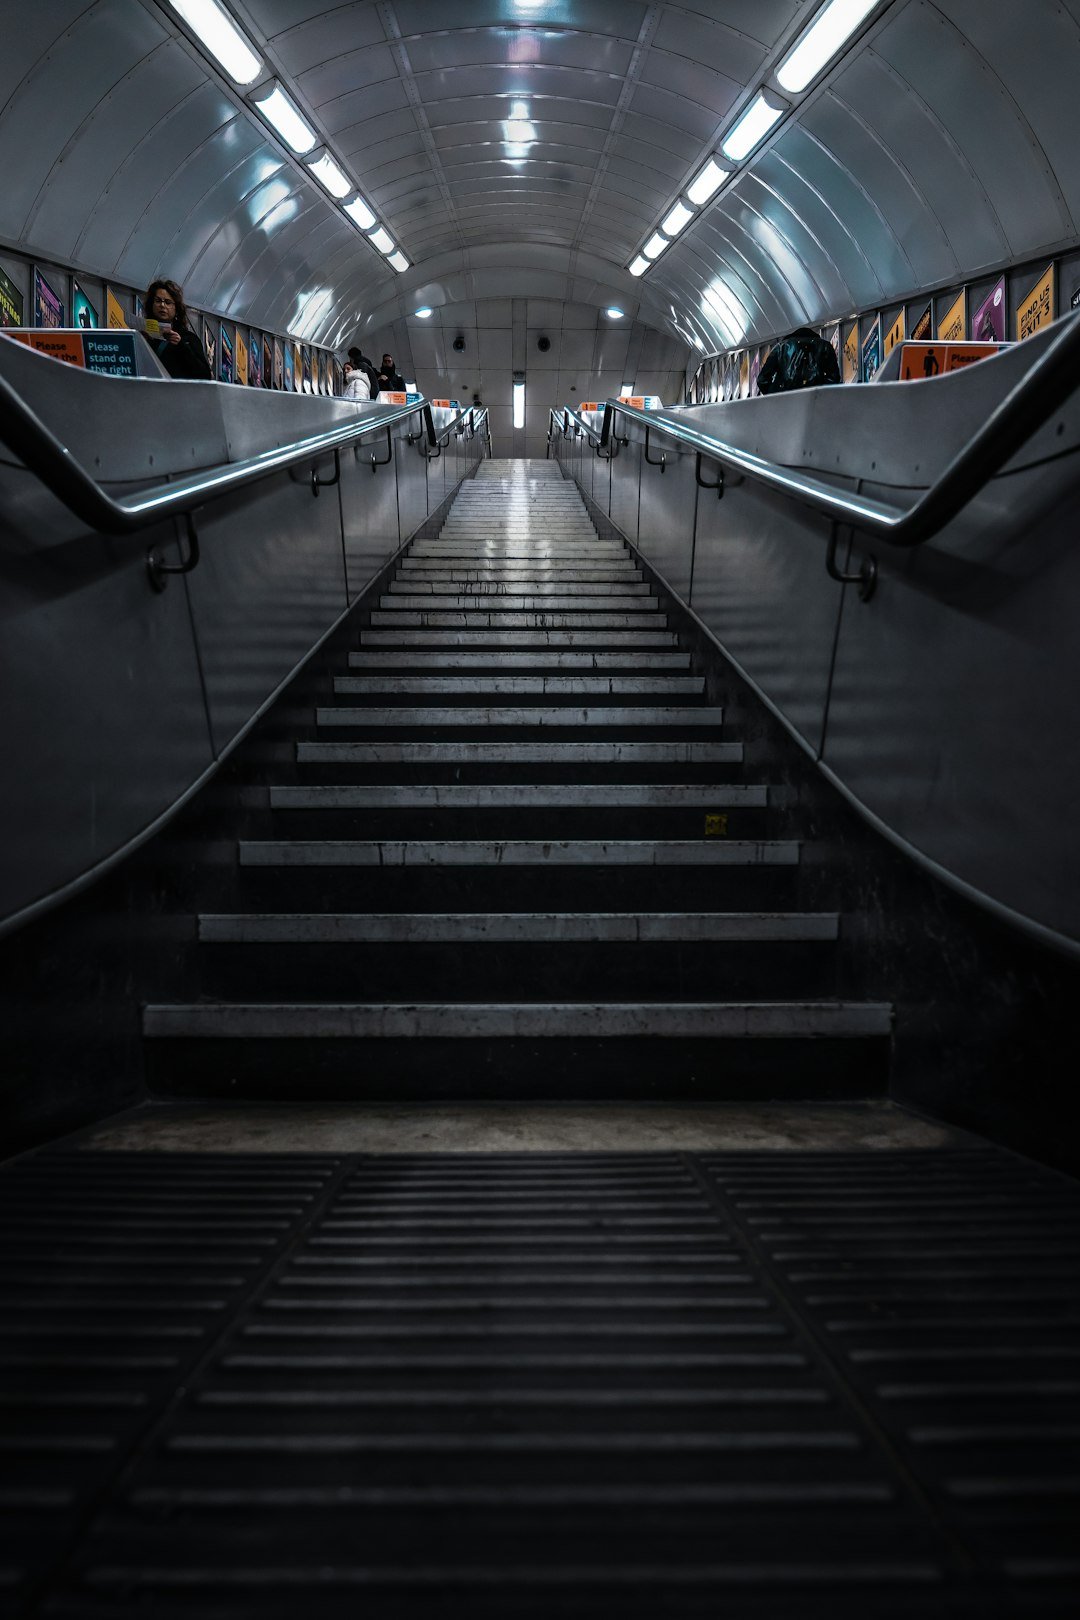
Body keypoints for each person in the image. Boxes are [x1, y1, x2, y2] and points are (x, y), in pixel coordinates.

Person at [142, 279, 211, 380]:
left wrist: (182, 346)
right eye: (157, 301)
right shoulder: (145, 335)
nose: (162, 305)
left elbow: (205, 375)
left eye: (168, 302)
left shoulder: (188, 339)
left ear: (176, 308)